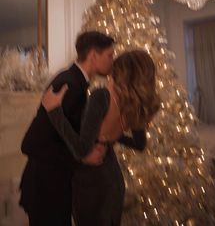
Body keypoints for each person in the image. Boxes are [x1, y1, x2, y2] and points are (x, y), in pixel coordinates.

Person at [42, 49, 160, 226]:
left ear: (122, 73)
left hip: (91, 181)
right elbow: (139, 144)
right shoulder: (136, 104)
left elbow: (81, 149)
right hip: (113, 178)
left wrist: (54, 111)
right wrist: (107, 137)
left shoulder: (102, 96)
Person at [19, 31, 115, 226]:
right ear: (94, 56)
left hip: (54, 186)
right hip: (46, 189)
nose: (113, 61)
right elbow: (31, 144)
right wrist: (82, 157)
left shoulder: (77, 83)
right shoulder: (68, 84)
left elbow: (66, 135)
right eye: (110, 55)